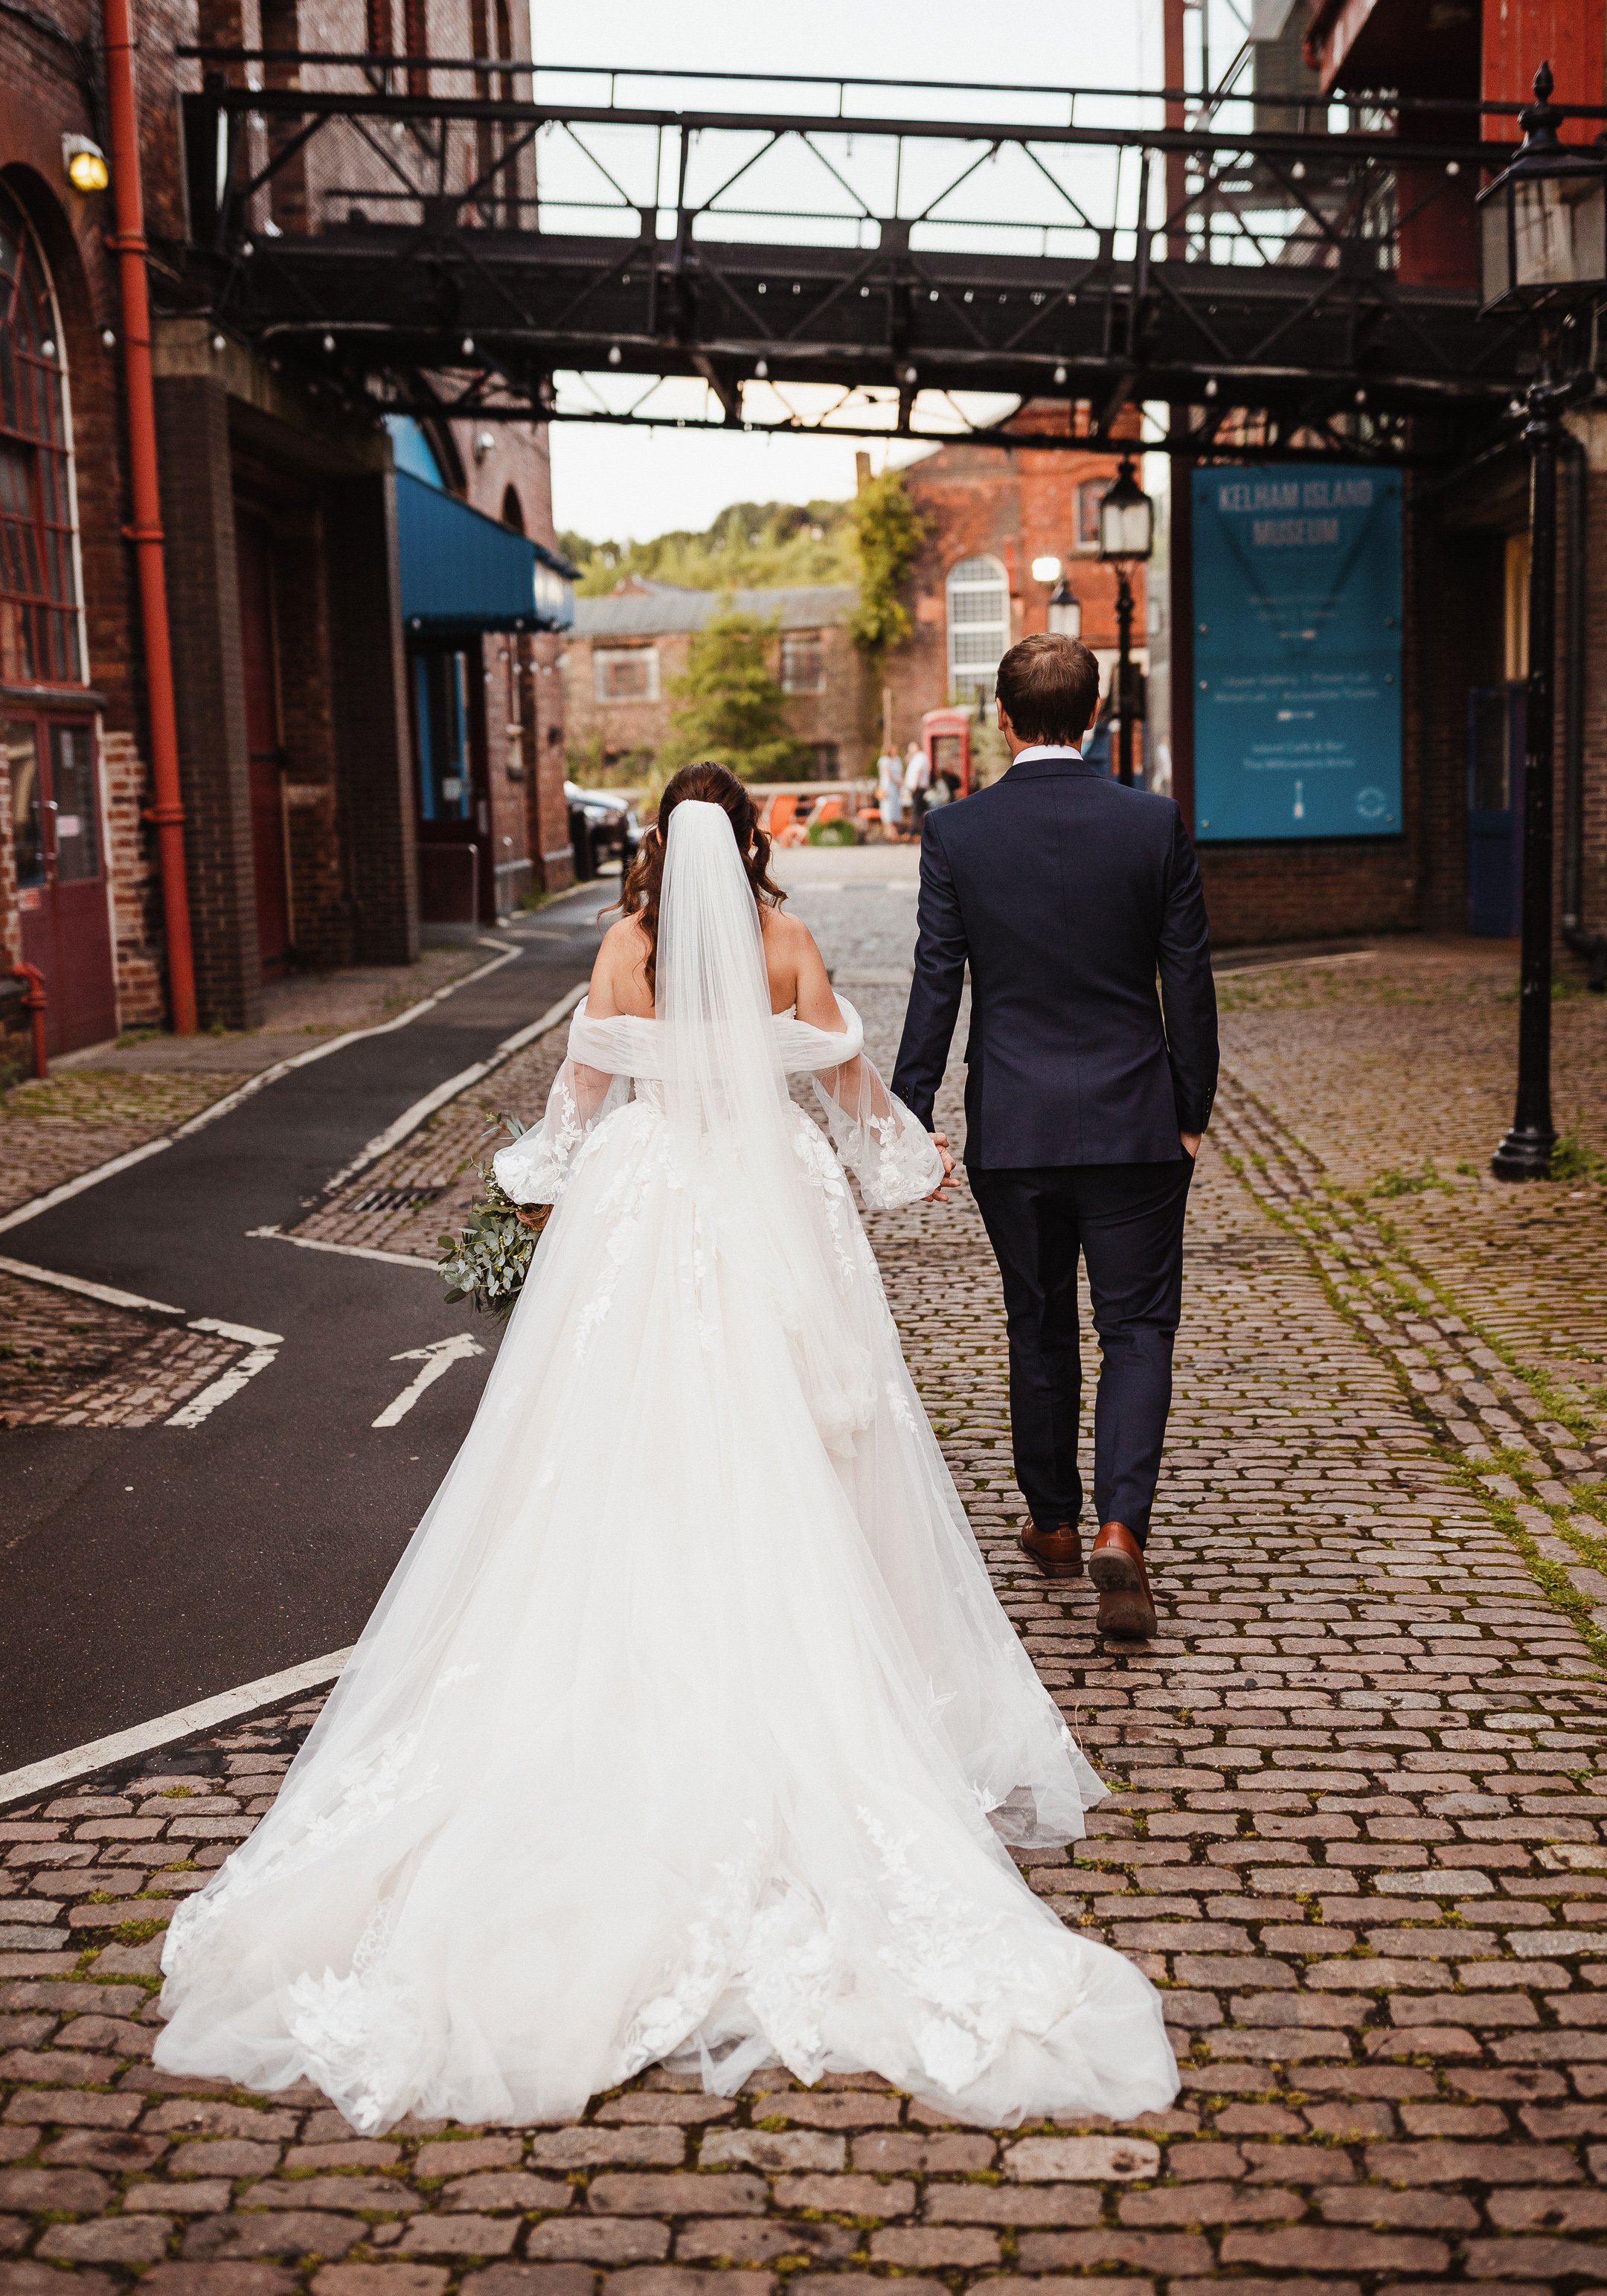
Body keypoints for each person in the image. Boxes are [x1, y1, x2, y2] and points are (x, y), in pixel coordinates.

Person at [153, 762, 1178, 2135]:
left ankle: (640, 1647)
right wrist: (905, 1157)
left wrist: (527, 1182)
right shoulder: (788, 942)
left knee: (619, 1447)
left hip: (645, 1219)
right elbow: (849, 1085)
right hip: (772, 1219)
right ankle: (808, 1653)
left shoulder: (626, 946)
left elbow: (578, 1098)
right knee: (805, 1441)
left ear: (653, 851)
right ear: (750, 842)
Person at [892, 635, 1218, 1641]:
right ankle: (1126, 1522)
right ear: (1097, 713)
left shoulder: (957, 833)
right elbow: (1188, 980)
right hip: (1134, 1124)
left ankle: (1055, 1524)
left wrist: (910, 1118)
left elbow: (937, 981)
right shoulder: (1153, 823)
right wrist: (1190, 1110)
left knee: (1035, 1328)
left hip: (1015, 1128)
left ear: (1001, 717)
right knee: (1138, 1330)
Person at [902, 736, 932, 831]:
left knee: (916, 810)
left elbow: (918, 771)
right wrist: (910, 754)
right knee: (922, 809)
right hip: (916, 787)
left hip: (918, 787)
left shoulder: (920, 757)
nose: (910, 749)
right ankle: (922, 829)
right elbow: (906, 761)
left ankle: (913, 831)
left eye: (912, 747)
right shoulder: (916, 757)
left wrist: (915, 784)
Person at [876, 741, 903, 834]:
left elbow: (901, 771)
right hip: (887, 787)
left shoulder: (897, 760)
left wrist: (901, 781)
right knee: (887, 808)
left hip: (896, 788)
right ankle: (889, 831)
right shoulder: (884, 760)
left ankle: (894, 830)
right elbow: (888, 773)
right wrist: (897, 781)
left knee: (895, 808)